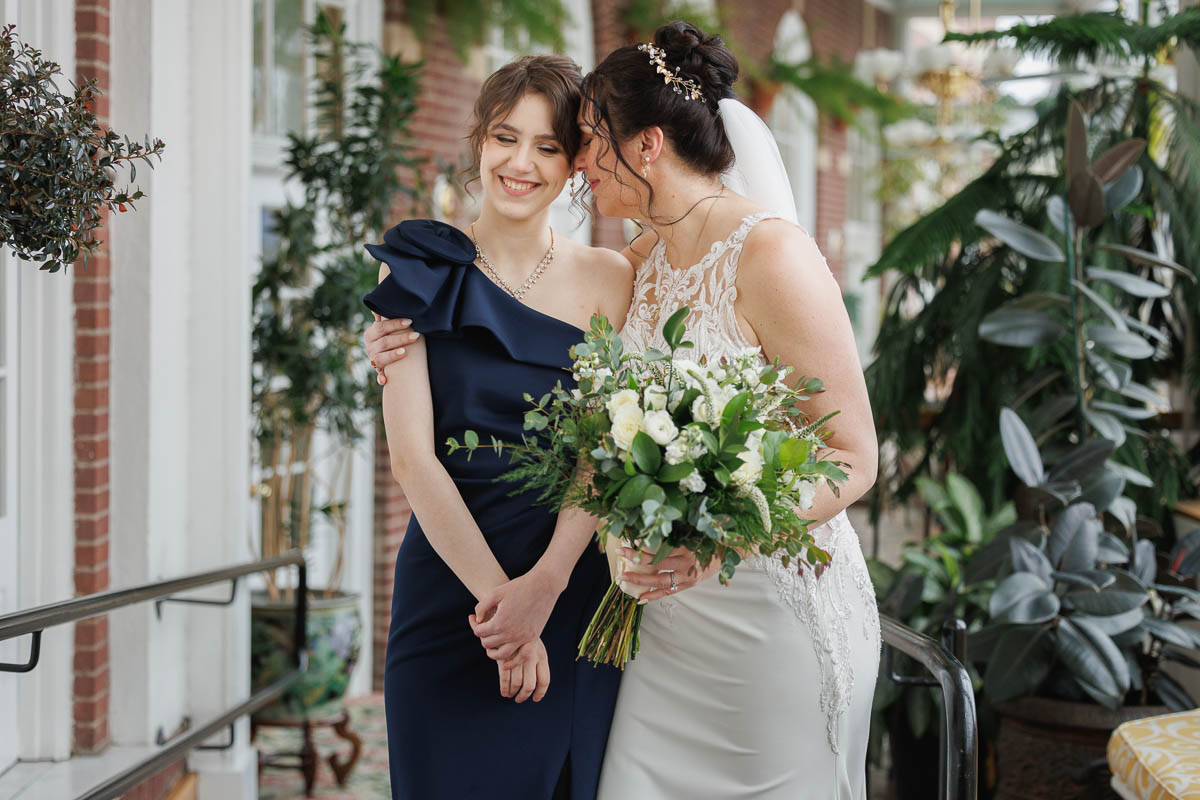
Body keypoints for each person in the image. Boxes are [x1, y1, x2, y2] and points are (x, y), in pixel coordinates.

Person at [367, 22, 881, 799]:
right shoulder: (641, 260)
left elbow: (850, 456)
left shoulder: (741, 258)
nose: (575, 163)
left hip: (726, 597)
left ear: (644, 146)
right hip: (638, 616)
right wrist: (385, 340)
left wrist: (713, 534)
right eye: (509, 137)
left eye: (578, 142)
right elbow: (457, 431)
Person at [363, 54, 630, 800]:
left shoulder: (611, 278)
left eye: (547, 146)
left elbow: (604, 450)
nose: (521, 164)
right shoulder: (415, 268)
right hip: (448, 588)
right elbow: (412, 458)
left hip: (565, 581)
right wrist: (502, 614)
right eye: (506, 138)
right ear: (479, 139)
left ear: (574, 164)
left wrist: (542, 590)